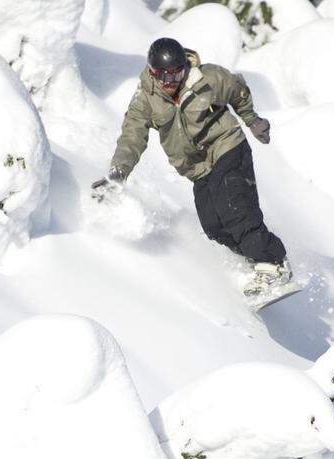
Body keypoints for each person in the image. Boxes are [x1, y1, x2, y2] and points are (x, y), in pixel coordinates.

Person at [93, 37, 290, 296]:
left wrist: (252, 120)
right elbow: (132, 136)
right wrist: (119, 172)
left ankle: (273, 264)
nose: (169, 82)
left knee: (235, 208)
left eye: (175, 74)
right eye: (162, 75)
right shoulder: (146, 98)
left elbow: (237, 90)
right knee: (214, 226)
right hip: (197, 168)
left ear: (183, 67)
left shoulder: (206, 78)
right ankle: (257, 261)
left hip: (227, 146)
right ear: (152, 71)